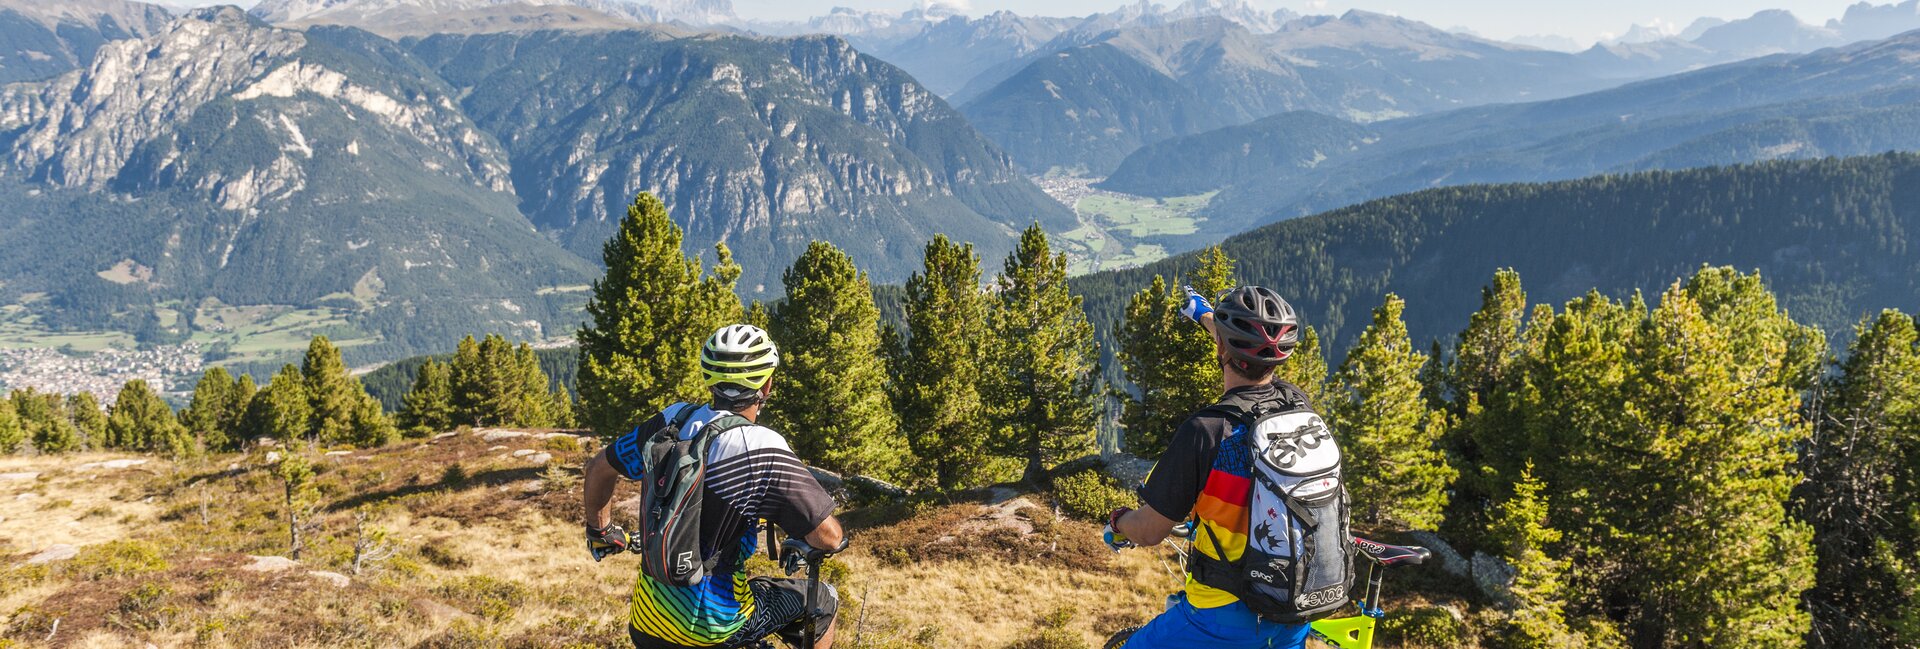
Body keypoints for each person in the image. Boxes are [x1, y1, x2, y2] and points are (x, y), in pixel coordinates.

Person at [581, 324, 847, 649]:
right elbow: (829, 538)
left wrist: (601, 531)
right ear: (767, 384)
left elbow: (599, 468)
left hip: (648, 623)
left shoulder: (672, 420)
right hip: (715, 628)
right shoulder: (761, 446)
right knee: (822, 600)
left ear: (710, 377)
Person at [1103, 286, 1317, 648]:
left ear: (1222, 348)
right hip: (1293, 610)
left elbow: (1151, 531)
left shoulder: (1206, 431)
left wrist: (1118, 522)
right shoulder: (1298, 406)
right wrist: (1202, 313)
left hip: (1224, 615)